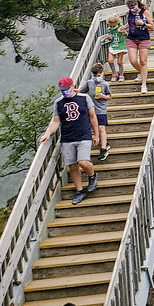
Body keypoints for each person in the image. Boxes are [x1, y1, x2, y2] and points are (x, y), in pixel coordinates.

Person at [39, 77, 98, 205]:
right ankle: (79, 190)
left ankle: (92, 175)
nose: (65, 92)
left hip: (84, 135)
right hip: (67, 138)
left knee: (83, 162)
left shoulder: (84, 98)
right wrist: (47, 134)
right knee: (72, 165)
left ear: (73, 86)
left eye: (66, 89)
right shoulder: (59, 103)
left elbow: (93, 117)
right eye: (62, 90)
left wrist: (96, 134)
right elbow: (56, 121)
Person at [78, 63, 111, 162]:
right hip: (91, 109)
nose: (97, 77)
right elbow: (82, 91)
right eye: (95, 75)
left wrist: (102, 96)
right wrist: (73, 90)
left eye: (99, 75)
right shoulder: (89, 83)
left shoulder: (105, 84)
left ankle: (103, 149)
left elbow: (109, 97)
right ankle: (104, 142)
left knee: (101, 128)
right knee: (94, 128)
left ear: (102, 73)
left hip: (101, 110)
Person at [125, 0, 154, 94]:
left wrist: (143, 24)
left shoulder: (144, 12)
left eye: (133, 7)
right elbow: (130, 23)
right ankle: (142, 72)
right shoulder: (128, 13)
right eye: (130, 8)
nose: (132, 9)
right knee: (132, 60)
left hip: (143, 38)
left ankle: (144, 84)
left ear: (137, 4)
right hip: (131, 38)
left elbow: (151, 26)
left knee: (143, 61)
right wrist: (123, 28)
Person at [103, 14, 127, 81]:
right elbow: (111, 39)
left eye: (114, 25)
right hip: (113, 46)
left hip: (121, 45)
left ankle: (121, 75)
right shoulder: (109, 29)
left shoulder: (121, 27)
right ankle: (114, 73)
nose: (112, 27)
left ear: (117, 23)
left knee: (119, 62)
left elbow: (126, 35)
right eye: (111, 25)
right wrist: (109, 38)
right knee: (110, 61)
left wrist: (123, 32)